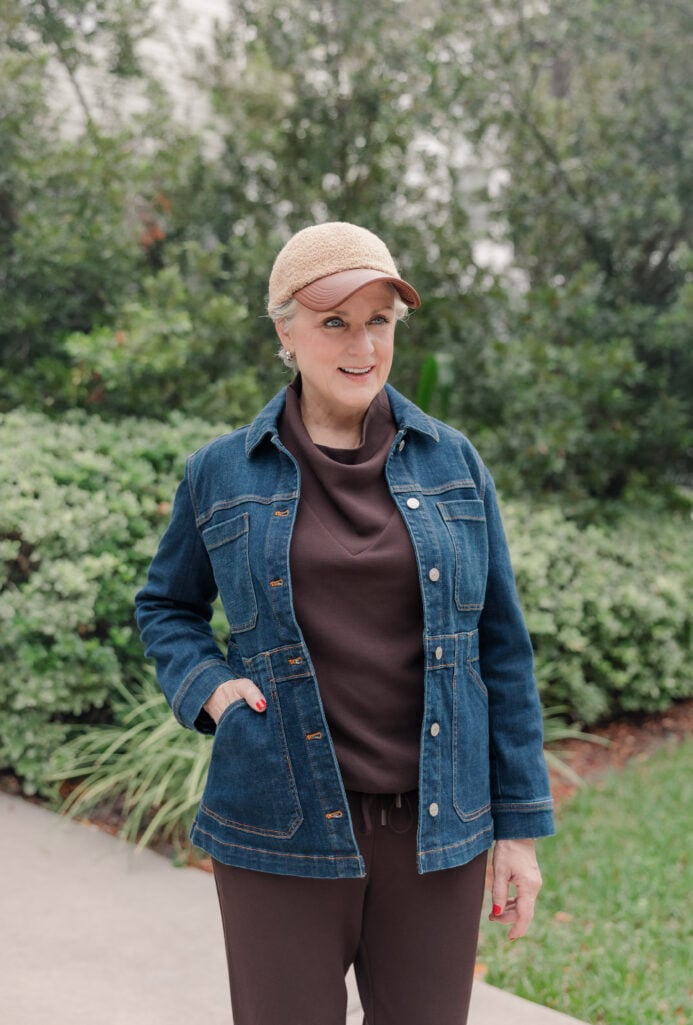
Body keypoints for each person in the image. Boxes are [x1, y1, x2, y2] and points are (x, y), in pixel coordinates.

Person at [135, 221, 555, 1025]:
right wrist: (211, 687)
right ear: (285, 331)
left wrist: (519, 830)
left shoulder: (454, 464)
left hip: (435, 833)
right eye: (334, 321)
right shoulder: (221, 472)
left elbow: (501, 649)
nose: (361, 345)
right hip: (277, 825)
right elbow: (166, 604)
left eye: (378, 321)